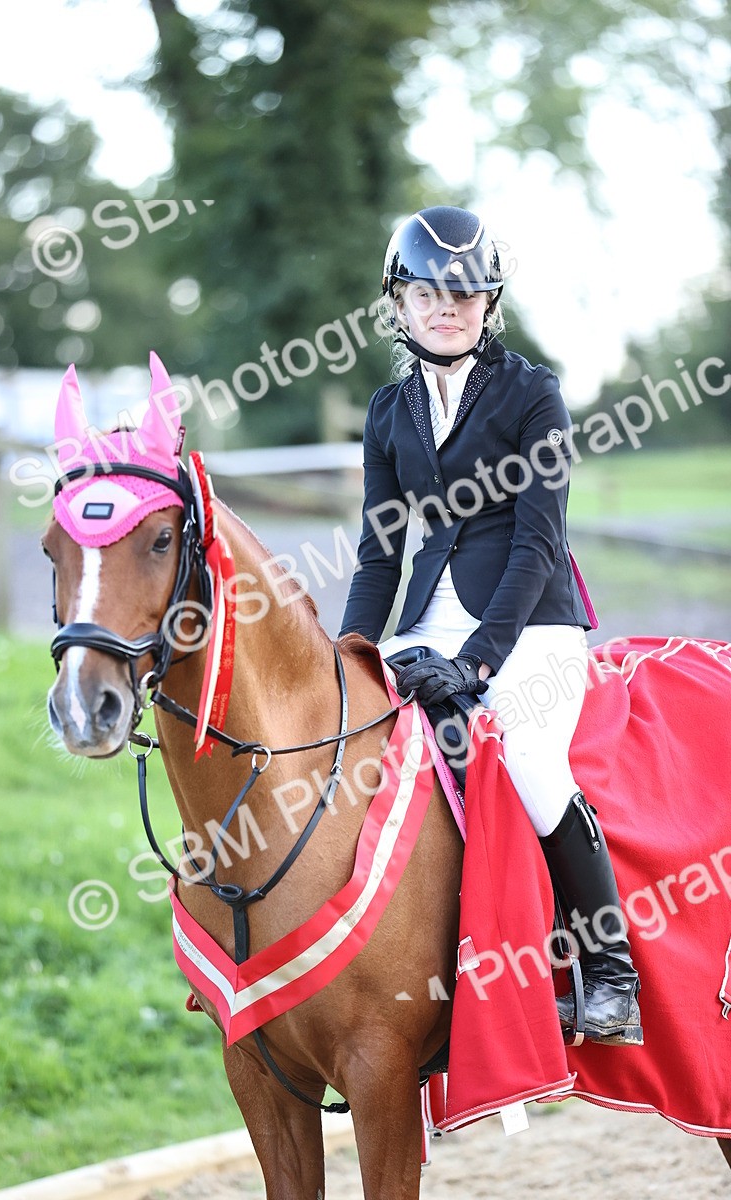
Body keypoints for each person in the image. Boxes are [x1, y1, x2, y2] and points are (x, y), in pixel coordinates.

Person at [339, 205, 642, 1046]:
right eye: (429, 294)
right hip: (422, 622)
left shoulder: (532, 393)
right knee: (349, 747)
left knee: (531, 759)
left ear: (489, 303)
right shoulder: (387, 411)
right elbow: (378, 555)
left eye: (465, 296)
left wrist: (475, 664)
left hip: (531, 622)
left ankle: (610, 973)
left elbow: (538, 543)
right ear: (399, 302)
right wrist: (349, 656)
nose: (447, 309)